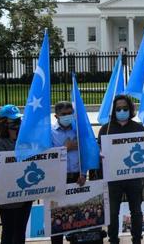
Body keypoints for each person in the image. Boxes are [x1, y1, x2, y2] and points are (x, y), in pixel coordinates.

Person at [97, 95, 144, 244]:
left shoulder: (138, 127)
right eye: (118, 109)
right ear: (114, 110)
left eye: (125, 108)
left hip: (134, 178)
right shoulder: (106, 129)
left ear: (130, 109)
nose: (122, 111)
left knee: (136, 211)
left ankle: (137, 238)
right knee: (112, 212)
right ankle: (113, 239)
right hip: (113, 179)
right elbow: (98, 151)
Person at [0, 104, 33, 244]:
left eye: (19, 121)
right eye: (14, 122)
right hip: (8, 195)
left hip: (25, 193)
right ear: (4, 124)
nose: (18, 125)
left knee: (20, 230)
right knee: (9, 230)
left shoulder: (24, 140)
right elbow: (4, 163)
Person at [50, 101, 86, 244]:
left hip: (77, 178)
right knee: (58, 217)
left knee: (76, 218)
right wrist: (65, 149)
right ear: (56, 116)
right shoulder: (50, 132)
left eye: (69, 114)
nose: (67, 116)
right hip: (58, 179)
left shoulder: (78, 130)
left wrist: (83, 173)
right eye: (63, 114)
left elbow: (85, 153)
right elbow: (45, 155)